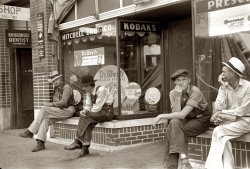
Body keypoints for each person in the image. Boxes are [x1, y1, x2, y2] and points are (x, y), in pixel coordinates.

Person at [152, 69, 211, 169]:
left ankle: (172, 165)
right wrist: (178, 97)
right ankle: (184, 162)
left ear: (189, 80)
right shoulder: (172, 93)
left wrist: (161, 116)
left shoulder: (195, 91)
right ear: (175, 82)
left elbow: (182, 115)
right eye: (178, 80)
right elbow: (176, 114)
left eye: (184, 79)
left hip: (201, 119)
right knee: (174, 123)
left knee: (173, 132)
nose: (181, 83)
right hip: (187, 119)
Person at [205, 57, 250, 169]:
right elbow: (218, 107)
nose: (222, 74)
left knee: (218, 131)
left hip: (246, 121)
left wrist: (222, 114)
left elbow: (242, 111)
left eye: (224, 71)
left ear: (233, 73)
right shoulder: (224, 87)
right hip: (231, 120)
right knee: (223, 138)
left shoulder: (248, 87)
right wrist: (222, 87)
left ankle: (211, 167)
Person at [19, 71, 76, 152]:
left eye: (56, 80)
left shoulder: (66, 87)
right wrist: (52, 105)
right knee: (45, 119)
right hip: (60, 111)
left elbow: (63, 102)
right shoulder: (56, 89)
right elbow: (57, 103)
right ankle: (40, 143)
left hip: (68, 110)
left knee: (44, 109)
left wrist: (50, 104)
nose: (55, 82)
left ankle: (30, 131)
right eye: (53, 81)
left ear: (60, 78)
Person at [64, 74, 114, 158]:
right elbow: (88, 105)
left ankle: (78, 140)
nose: (83, 88)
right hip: (97, 112)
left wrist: (86, 114)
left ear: (89, 86)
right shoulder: (89, 92)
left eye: (84, 86)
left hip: (107, 112)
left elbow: (97, 108)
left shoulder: (101, 90)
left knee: (86, 117)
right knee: (87, 121)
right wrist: (85, 111)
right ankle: (85, 148)